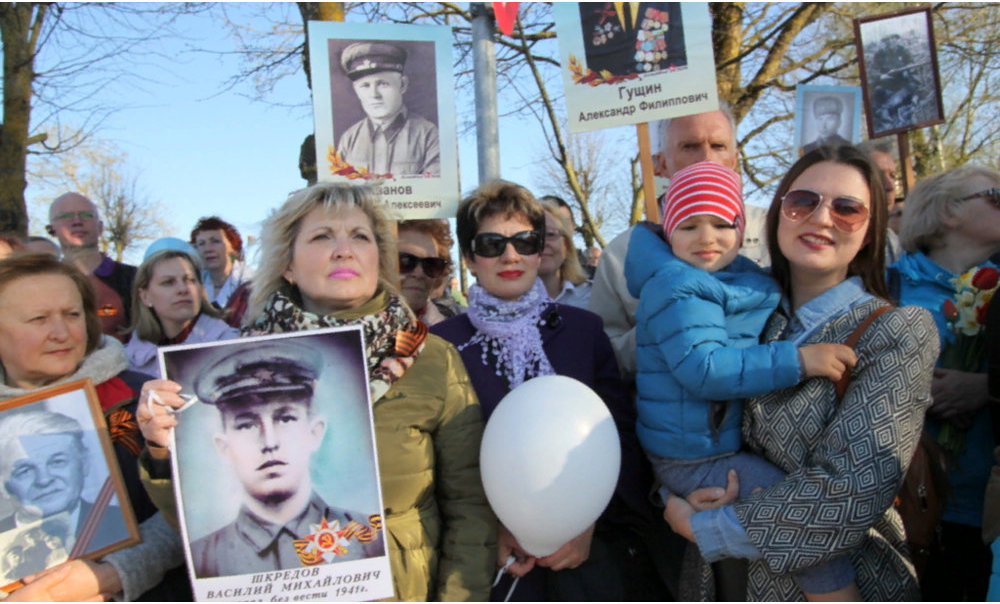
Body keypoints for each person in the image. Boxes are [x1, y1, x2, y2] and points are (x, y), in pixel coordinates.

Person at [137, 182, 494, 601]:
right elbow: (192, 523)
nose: (344, 250)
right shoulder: (235, 356)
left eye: (360, 236)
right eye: (323, 236)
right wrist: (162, 451)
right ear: (288, 264)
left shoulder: (431, 358)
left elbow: (470, 508)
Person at [662, 145, 938, 600]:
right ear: (778, 214)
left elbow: (851, 486)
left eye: (847, 209)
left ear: (870, 233)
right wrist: (671, 494)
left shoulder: (898, 331)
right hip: (719, 581)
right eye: (802, 201)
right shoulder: (727, 311)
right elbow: (671, 414)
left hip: (844, 577)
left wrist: (706, 527)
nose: (822, 218)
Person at [627, 160, 861, 600]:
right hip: (693, 457)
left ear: (740, 227)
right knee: (798, 517)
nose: (707, 238)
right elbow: (706, 369)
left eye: (720, 223)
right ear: (668, 231)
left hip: (704, 444)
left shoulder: (728, 279)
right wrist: (798, 360)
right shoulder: (680, 286)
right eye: (689, 226)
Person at [432, 180, 657, 601]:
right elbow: (440, 462)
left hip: (584, 561)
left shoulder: (583, 331)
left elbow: (619, 436)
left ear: (541, 249)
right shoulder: (441, 345)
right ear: (468, 257)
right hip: (491, 568)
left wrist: (587, 521)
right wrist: (489, 531)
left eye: (524, 240)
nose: (511, 255)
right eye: (491, 243)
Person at [0, 253, 187, 602]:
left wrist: (112, 575)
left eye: (72, 315)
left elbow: (192, 516)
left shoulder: (145, 400)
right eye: (38, 319)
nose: (61, 332)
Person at [890, 165, 1000, 600]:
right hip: (912, 511)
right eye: (995, 195)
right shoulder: (889, 289)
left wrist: (984, 387)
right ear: (947, 213)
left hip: (988, 512)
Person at [185, 343, 384, 577]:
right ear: (224, 448)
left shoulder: (371, 539)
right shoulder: (203, 559)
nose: (269, 442)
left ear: (314, 433)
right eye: (247, 424)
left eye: (286, 419)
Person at [590, 105, 739, 382]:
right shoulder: (620, 256)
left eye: (718, 146)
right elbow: (603, 355)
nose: (706, 159)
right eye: (689, 147)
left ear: (734, 158)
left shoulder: (772, 232)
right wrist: (664, 328)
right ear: (661, 164)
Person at [0, 411, 129, 556]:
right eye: (25, 470)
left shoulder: (124, 523)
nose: (44, 480)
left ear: (84, 463)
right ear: (2, 485)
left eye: (57, 462)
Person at [124, 245, 237, 377]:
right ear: (145, 296)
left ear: (200, 289)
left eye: (190, 280)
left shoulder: (233, 343)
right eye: (168, 282)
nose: (183, 289)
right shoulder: (126, 361)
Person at [336, 42, 440, 178]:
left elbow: (436, 191)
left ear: (402, 85)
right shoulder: (349, 139)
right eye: (365, 86)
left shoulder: (427, 135)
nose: (374, 95)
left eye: (383, 84)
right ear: (356, 90)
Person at [46, 193, 137, 340]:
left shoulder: (134, 278)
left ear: (100, 227)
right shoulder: (43, 284)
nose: (77, 221)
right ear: (51, 229)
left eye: (86, 215)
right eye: (66, 216)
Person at [190, 216, 254, 325]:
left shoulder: (252, 282)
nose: (208, 249)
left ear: (233, 248)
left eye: (215, 241)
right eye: (201, 243)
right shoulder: (193, 284)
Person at [397, 219, 460, 325]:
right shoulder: (361, 329)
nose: (419, 273)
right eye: (405, 261)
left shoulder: (456, 334)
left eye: (431, 264)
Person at [537, 196, 592, 309]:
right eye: (534, 236)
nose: (542, 243)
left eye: (550, 234)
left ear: (567, 244)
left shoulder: (592, 296)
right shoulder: (503, 302)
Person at [857, 139, 903, 264]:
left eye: (892, 175)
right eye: (879, 175)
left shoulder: (892, 242)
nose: (890, 186)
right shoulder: (838, 239)